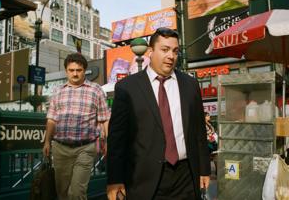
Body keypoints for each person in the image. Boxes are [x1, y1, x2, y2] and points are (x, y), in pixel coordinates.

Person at [107, 27, 211, 200]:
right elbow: (117, 138)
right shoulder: (128, 88)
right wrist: (115, 179)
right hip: (144, 179)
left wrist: (204, 169)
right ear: (150, 52)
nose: (171, 56)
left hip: (186, 176)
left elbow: (199, 130)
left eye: (175, 51)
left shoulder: (190, 84)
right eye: (164, 49)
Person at [42, 53, 110, 200]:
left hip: (85, 148)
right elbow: (51, 119)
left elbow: (105, 119)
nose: (75, 73)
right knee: (63, 193)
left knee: (77, 193)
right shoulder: (57, 91)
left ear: (84, 70)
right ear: (66, 71)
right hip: (60, 148)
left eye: (78, 70)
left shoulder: (96, 90)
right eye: (71, 70)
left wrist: (108, 142)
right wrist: (47, 141)